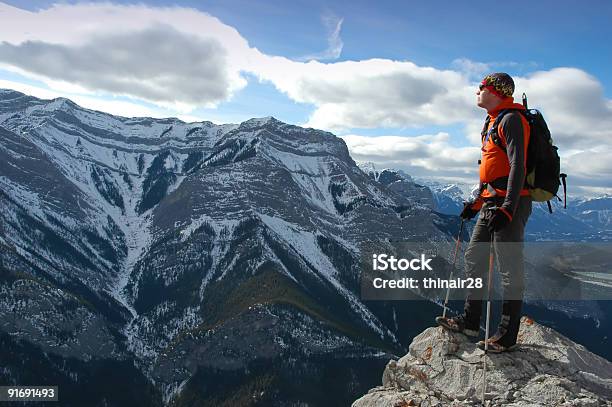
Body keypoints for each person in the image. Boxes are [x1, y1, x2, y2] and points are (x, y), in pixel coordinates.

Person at [436, 72, 532, 353]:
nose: (477, 90)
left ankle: (506, 334)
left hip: (509, 202)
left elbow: (518, 166)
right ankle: (470, 320)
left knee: (508, 267)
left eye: (483, 87)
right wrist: (476, 203)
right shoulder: (491, 121)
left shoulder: (512, 119)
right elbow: (489, 168)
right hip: (491, 200)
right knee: (474, 257)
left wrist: (508, 209)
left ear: (498, 91)